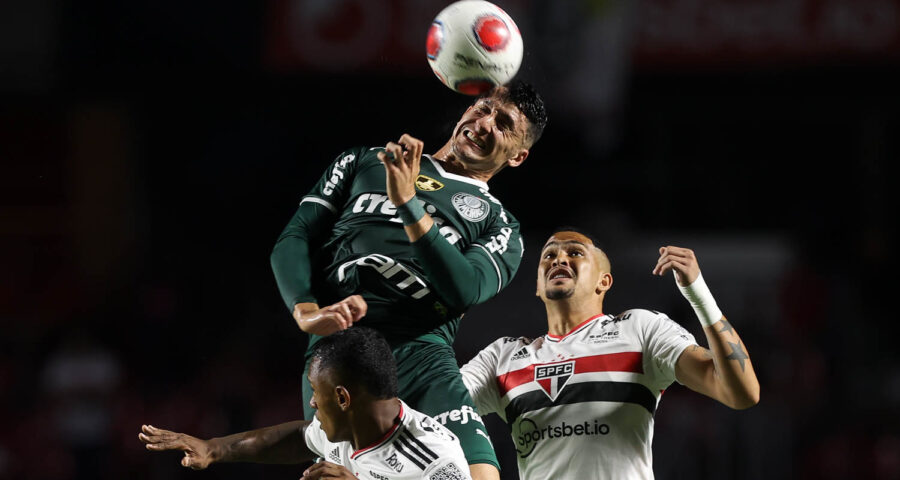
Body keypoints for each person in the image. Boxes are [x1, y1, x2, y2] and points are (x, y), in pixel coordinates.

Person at [269, 81, 548, 479]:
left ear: (518, 156)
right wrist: (305, 310)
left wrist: (408, 204)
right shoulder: (366, 161)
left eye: (503, 124)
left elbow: (465, 287)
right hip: (339, 354)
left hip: (421, 356)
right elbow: (296, 235)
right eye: (483, 108)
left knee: (481, 475)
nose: (484, 123)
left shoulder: (499, 222)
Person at [460, 230, 760, 479]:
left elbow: (741, 393)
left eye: (575, 253)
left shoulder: (641, 330)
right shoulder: (502, 357)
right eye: (549, 256)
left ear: (604, 281)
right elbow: (435, 406)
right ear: (538, 286)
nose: (559, 259)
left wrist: (699, 295)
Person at [139, 327, 473, 480]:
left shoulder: (437, 461)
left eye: (316, 391)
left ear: (342, 397)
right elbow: (301, 438)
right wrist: (214, 449)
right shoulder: (349, 430)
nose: (311, 401)